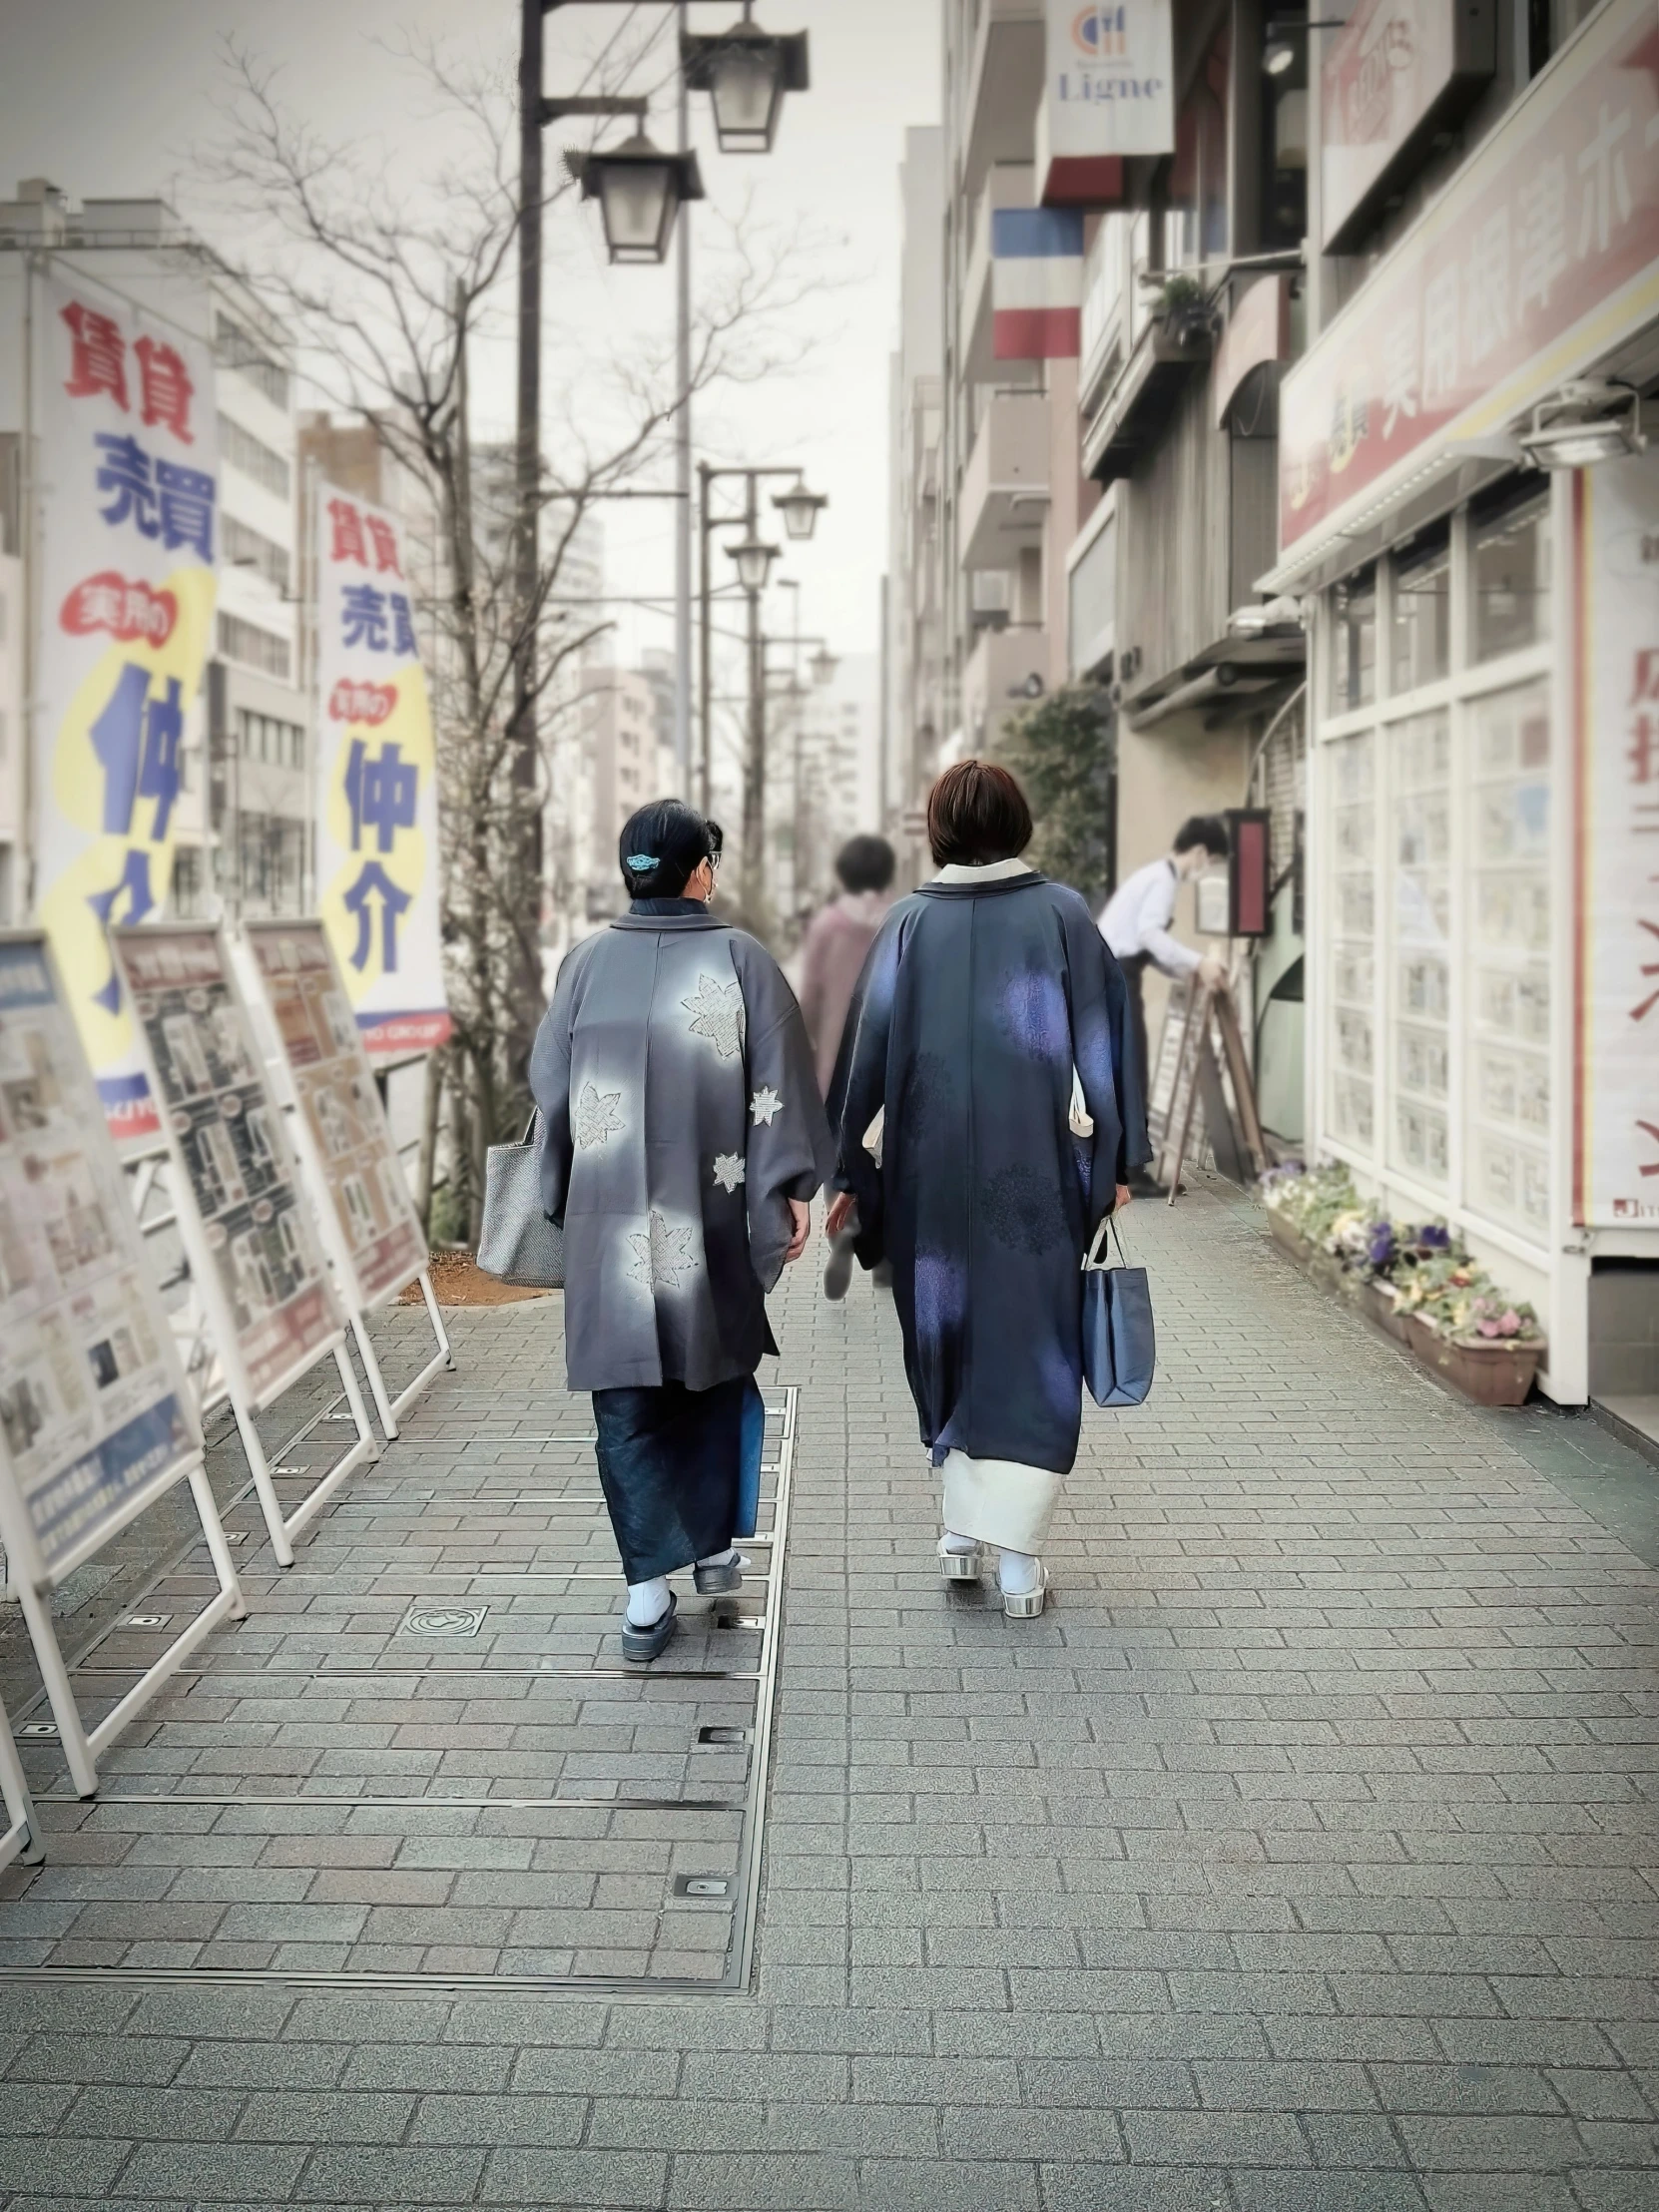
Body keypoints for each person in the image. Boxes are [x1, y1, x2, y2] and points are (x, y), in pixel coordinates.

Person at [824, 760, 1148, 1619]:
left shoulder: (906, 925)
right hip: (1035, 1178)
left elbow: (865, 1061)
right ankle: (1012, 1559)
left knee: (946, 1334)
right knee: (1031, 1346)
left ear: (937, 830)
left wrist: (847, 1171)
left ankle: (963, 1535)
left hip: (929, 1183)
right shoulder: (1062, 917)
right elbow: (1106, 1049)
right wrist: (1116, 1162)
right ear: (1019, 822)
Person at [530, 800, 834, 1663]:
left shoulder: (585, 964)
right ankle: (713, 1551)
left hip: (609, 1217)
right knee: (712, 1374)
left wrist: (561, 1183)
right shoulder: (740, 961)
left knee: (626, 1400)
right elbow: (777, 1087)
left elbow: (552, 1090)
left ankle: (642, 1596)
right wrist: (786, 1188)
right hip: (710, 1213)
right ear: (700, 870)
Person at [1097, 815, 1230, 1196]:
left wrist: (1184, 970)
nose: (1207, 872)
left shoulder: (1154, 875)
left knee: (1125, 1070)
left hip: (1115, 974)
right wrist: (1198, 962)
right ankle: (1131, 1173)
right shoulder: (1163, 881)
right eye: (1212, 863)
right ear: (1201, 852)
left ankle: (1127, 1168)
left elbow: (1145, 947)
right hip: (1118, 977)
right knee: (1130, 1070)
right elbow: (1148, 936)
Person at [798, 833, 897, 1300]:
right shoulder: (901, 920)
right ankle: (882, 1251)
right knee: (887, 1151)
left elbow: (810, 998)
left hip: (836, 1063)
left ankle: (841, 1234)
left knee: (841, 1151)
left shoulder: (828, 926)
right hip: (891, 1060)